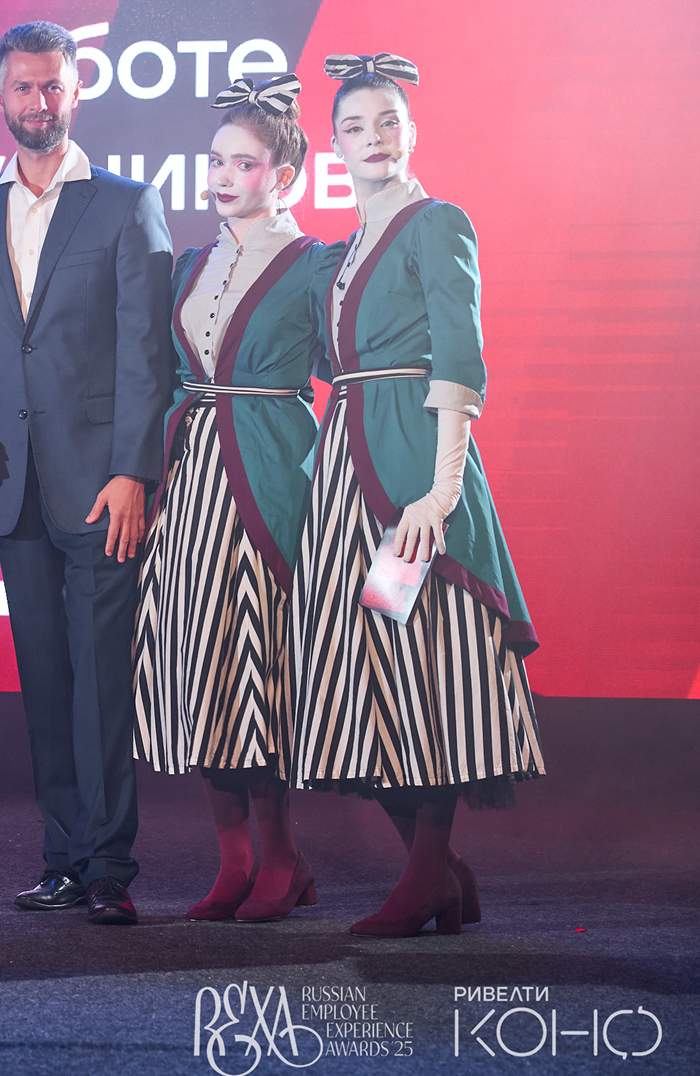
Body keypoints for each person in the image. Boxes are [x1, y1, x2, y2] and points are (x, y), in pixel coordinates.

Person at [0, 21, 175, 925]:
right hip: (14, 482)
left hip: (105, 485)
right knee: (43, 678)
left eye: (53, 86)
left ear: (77, 92)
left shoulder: (127, 203)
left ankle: (108, 865)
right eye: (24, 88)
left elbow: (148, 352)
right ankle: (63, 858)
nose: (39, 102)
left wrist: (133, 470)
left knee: (101, 677)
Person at [290, 54, 542, 936]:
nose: (373, 139)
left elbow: (459, 354)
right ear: (333, 145)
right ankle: (438, 872)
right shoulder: (341, 251)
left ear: (412, 131)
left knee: (422, 665)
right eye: (355, 126)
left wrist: (440, 491)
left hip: (411, 465)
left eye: (387, 121)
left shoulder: (438, 222)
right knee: (356, 673)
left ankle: (429, 872)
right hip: (345, 466)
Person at [131, 75, 337, 923]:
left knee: (262, 669)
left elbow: (350, 372)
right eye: (215, 160)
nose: (221, 176)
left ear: (282, 174)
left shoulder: (316, 263)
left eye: (242, 163)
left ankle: (283, 855)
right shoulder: (190, 263)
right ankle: (235, 858)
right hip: (190, 481)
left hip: (269, 471)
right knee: (199, 664)